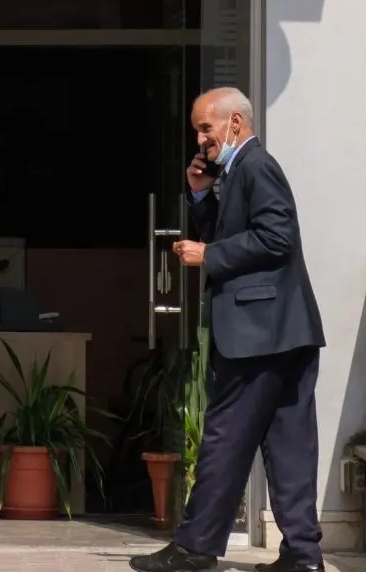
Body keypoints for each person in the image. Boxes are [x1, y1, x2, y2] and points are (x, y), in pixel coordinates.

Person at [130, 88, 327, 572]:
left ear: (235, 123)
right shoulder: (238, 170)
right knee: (289, 446)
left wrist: (209, 255)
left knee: (224, 440)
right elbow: (241, 232)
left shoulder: (256, 167)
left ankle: (195, 549)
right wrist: (201, 195)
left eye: (206, 128)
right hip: (285, 332)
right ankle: (303, 557)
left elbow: (277, 237)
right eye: (197, 130)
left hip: (259, 334)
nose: (201, 139)